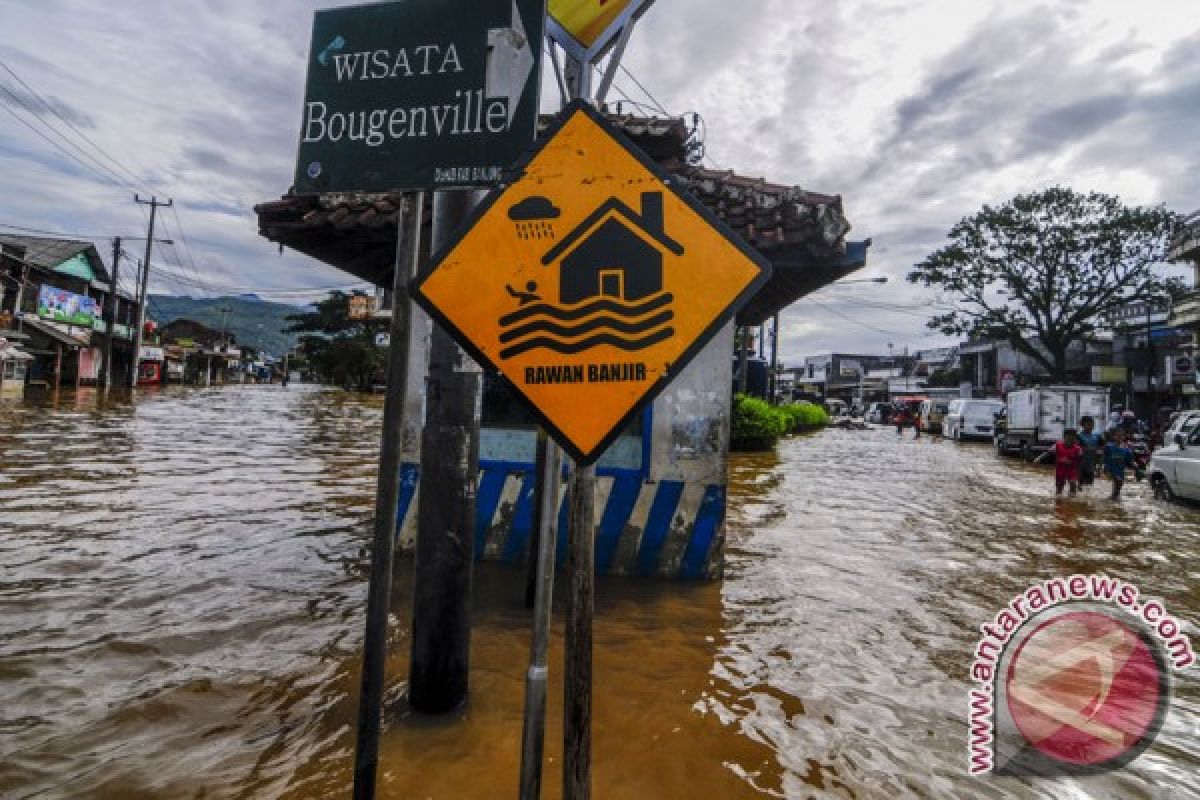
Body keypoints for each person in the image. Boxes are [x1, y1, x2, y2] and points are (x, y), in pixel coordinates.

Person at [1104, 428, 1135, 500]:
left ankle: (1114, 496)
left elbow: (1129, 459)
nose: (1120, 437)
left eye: (1121, 436)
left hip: (1120, 469)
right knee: (1118, 481)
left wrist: (1134, 465)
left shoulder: (1125, 447)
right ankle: (1114, 496)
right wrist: (1105, 469)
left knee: (1119, 483)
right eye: (1118, 436)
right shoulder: (1109, 447)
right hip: (1111, 468)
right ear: (1113, 436)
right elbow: (1104, 458)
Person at [1053, 429, 1083, 497]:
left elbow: (1080, 464)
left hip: (1072, 470)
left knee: (1073, 485)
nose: (1070, 442)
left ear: (1075, 440)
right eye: (1068, 439)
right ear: (1064, 438)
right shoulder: (1058, 445)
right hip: (1060, 470)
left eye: (1072, 440)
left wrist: (1079, 480)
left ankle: (1071, 502)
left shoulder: (1078, 449)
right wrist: (1038, 458)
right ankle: (1059, 502)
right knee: (1059, 489)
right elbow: (1048, 452)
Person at [1076, 416, 1103, 491]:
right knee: (1079, 486)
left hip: (1091, 466)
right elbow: (1077, 450)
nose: (1090, 426)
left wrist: (1099, 467)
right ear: (1082, 425)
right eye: (1088, 424)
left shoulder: (1098, 437)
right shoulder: (1078, 436)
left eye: (1092, 424)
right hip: (1080, 465)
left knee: (1089, 487)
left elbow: (1102, 451)